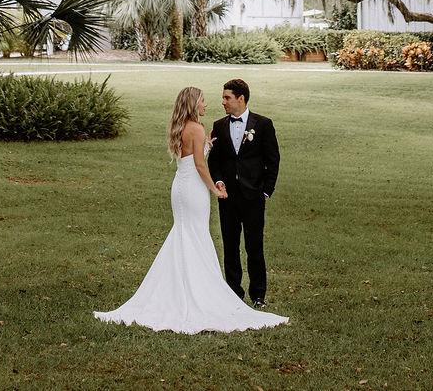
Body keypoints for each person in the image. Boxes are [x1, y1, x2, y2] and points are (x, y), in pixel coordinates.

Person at [93, 85, 288, 334]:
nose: (210, 104)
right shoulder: (198, 127)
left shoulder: (184, 127)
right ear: (194, 104)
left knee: (186, 236)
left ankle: (187, 289)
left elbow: (196, 153)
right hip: (194, 189)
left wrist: (206, 146)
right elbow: (200, 164)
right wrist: (215, 188)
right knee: (196, 236)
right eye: (204, 101)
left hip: (183, 188)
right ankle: (206, 292)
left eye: (222, 98)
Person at [207, 78, 280, 309]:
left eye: (227, 98)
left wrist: (266, 192)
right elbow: (215, 161)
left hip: (254, 197)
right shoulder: (219, 125)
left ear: (241, 98)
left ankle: (258, 296)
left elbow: (273, 160)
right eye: (223, 98)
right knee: (230, 246)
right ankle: (233, 293)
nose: (223, 102)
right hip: (227, 197)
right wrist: (218, 182)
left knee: (254, 247)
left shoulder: (263, 124)